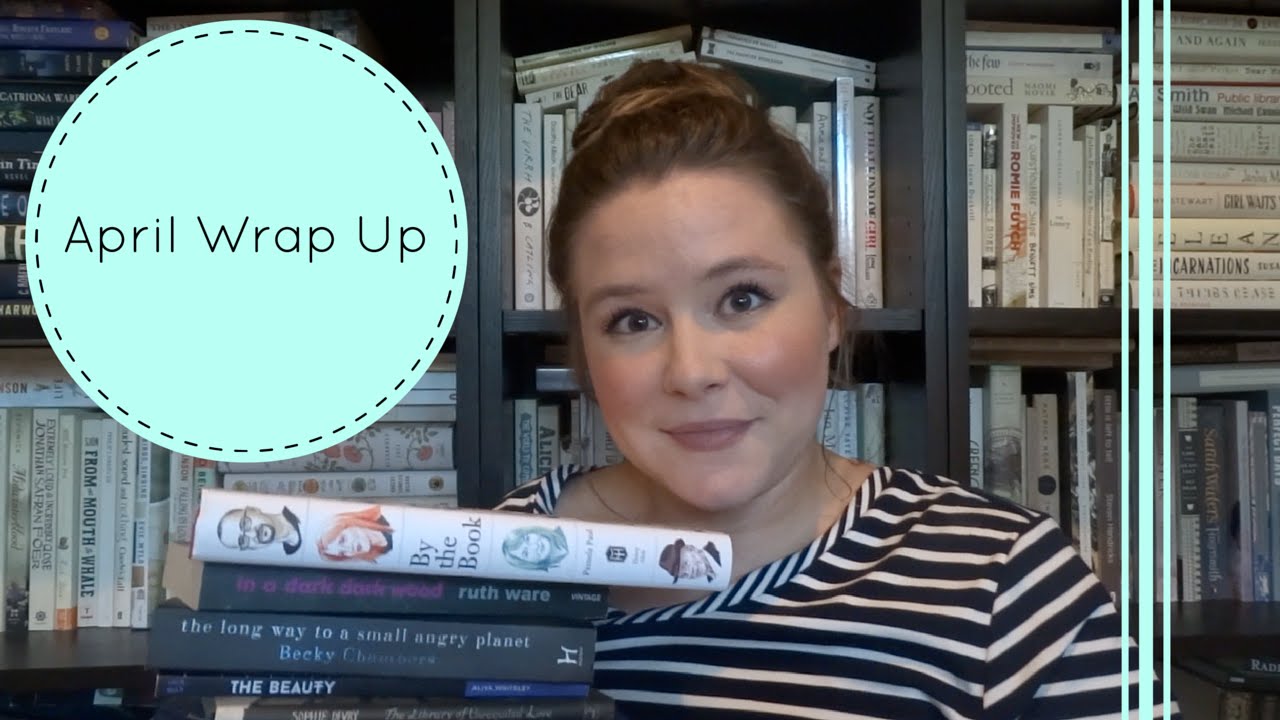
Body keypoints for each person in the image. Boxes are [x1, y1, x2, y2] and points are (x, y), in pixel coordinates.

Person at [494, 59, 1179, 720]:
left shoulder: (1002, 581)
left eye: (742, 298)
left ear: (830, 309)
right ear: (584, 348)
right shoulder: (495, 561)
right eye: (632, 320)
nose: (692, 371)